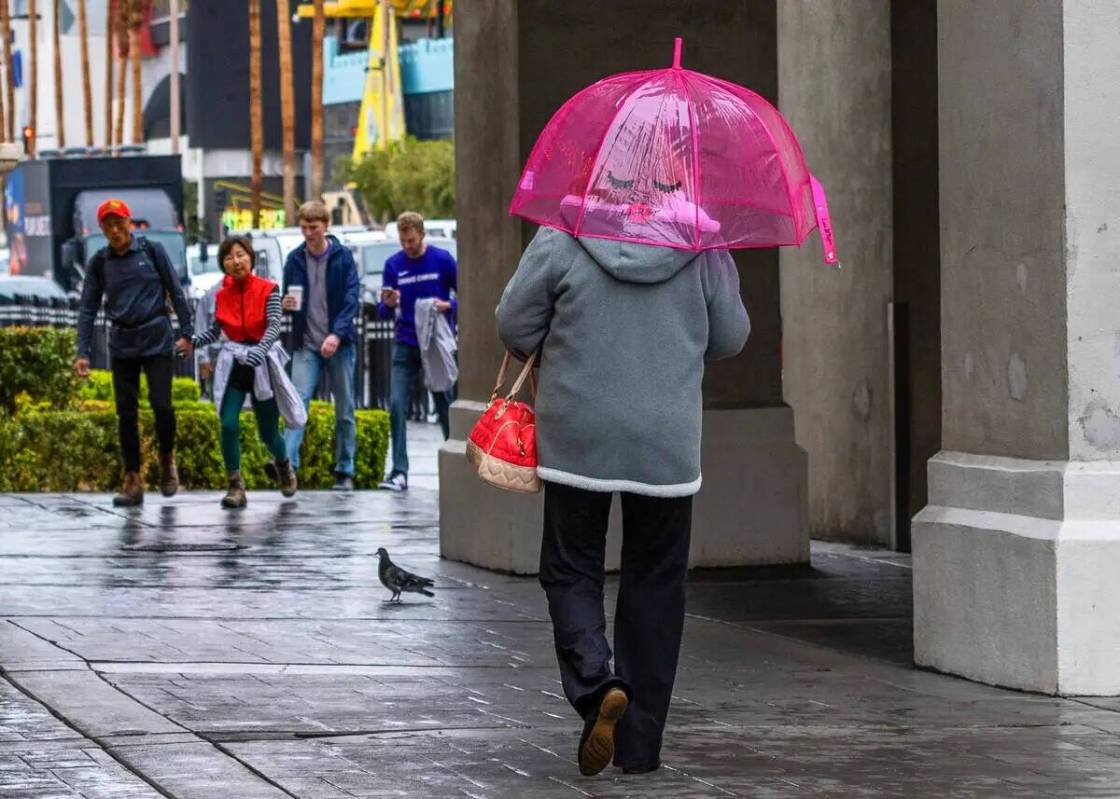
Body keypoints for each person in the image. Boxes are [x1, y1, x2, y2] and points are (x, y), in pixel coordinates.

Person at [495, 226, 749, 777]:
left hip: (577, 436)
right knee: (656, 582)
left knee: (569, 568)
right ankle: (639, 748)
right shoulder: (702, 239)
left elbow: (513, 325)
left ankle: (595, 683)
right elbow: (730, 337)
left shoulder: (562, 234)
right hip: (666, 442)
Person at [75, 198, 194, 507]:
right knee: (126, 413)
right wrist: (82, 352)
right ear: (102, 229)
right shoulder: (99, 262)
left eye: (120, 223)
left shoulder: (152, 251)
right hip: (123, 342)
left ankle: (168, 459)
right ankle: (132, 479)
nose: (115, 230)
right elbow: (87, 309)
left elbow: (176, 291)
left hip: (156, 337)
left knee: (161, 405)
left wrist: (187, 333)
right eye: (108, 225)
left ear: (130, 223)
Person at [191, 236, 298, 508]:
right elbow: (215, 331)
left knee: (268, 433)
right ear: (223, 265)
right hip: (235, 361)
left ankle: (283, 465)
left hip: (262, 362)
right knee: (228, 422)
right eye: (228, 257)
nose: (235, 261)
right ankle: (235, 485)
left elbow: (274, 324)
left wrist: (260, 350)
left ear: (250, 258)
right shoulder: (220, 295)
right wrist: (191, 343)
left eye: (240, 255)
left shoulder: (268, 289)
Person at [281, 201, 361, 491]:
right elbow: (288, 298)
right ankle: (288, 466)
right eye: (303, 227)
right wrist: (285, 304)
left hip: (339, 343)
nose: (308, 233)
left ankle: (345, 470)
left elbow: (352, 299)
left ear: (326, 226)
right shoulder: (294, 259)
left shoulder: (343, 258)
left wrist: (337, 335)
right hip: (306, 343)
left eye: (313, 228)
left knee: (345, 408)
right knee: (296, 404)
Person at [376, 211, 458, 492]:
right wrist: (387, 303)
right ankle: (399, 471)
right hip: (406, 341)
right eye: (403, 241)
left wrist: (450, 307)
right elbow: (383, 312)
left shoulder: (442, 260)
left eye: (411, 240)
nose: (407, 246)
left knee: (444, 403)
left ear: (422, 235)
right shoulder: (393, 265)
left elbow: (464, 294)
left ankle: (456, 465)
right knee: (397, 405)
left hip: (434, 343)